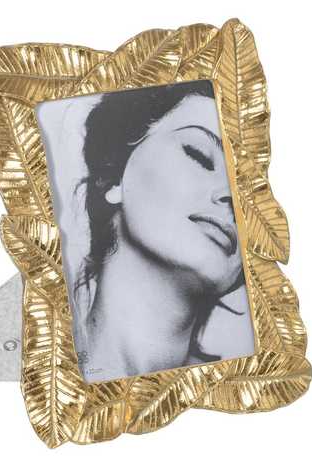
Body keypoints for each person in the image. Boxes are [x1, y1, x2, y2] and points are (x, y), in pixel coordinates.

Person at [71, 80, 248, 383]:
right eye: (199, 155)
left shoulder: (243, 389)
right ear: (114, 177)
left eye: (247, 188)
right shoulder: (21, 360)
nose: (232, 195)